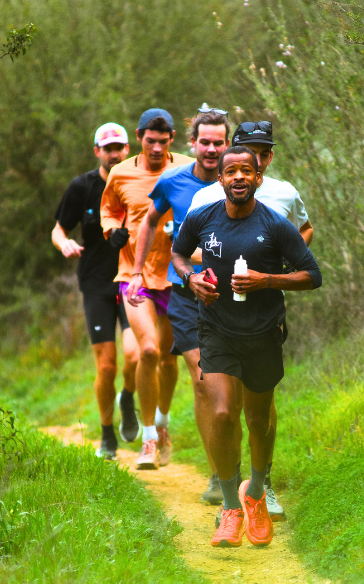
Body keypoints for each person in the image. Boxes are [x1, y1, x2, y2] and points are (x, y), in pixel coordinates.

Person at [171, 146, 322, 547]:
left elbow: (312, 275)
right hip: (216, 329)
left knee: (258, 421)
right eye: (231, 171)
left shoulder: (275, 225)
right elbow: (178, 254)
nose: (238, 176)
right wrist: (190, 279)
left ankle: (254, 493)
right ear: (220, 178)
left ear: (258, 177)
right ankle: (229, 508)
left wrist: (266, 280)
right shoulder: (202, 217)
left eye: (246, 170)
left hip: (263, 332)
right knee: (222, 413)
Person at [127, 107, 230, 502]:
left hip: (228, 293)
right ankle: (218, 474)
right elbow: (149, 221)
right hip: (185, 292)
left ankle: (238, 468)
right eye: (205, 142)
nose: (211, 149)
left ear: (227, 144)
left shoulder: (237, 181)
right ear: (192, 143)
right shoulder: (173, 182)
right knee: (202, 381)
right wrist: (137, 271)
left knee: (229, 388)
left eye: (218, 143)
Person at [100, 109, 194, 469]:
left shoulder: (186, 167)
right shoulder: (121, 172)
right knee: (149, 351)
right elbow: (109, 211)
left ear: (172, 139)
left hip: (175, 274)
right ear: (139, 137)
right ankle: (149, 439)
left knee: (169, 357)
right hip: (133, 273)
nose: (156, 148)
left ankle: (163, 424)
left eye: (163, 141)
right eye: (150, 141)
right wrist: (113, 231)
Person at [51, 122, 140, 460]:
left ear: (127, 149)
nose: (114, 154)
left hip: (132, 279)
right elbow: (58, 230)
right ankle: (107, 435)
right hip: (96, 283)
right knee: (106, 366)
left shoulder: (138, 182)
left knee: (135, 355)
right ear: (97, 152)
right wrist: (64, 244)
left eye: (119, 147)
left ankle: (127, 398)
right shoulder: (82, 187)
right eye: (108, 149)